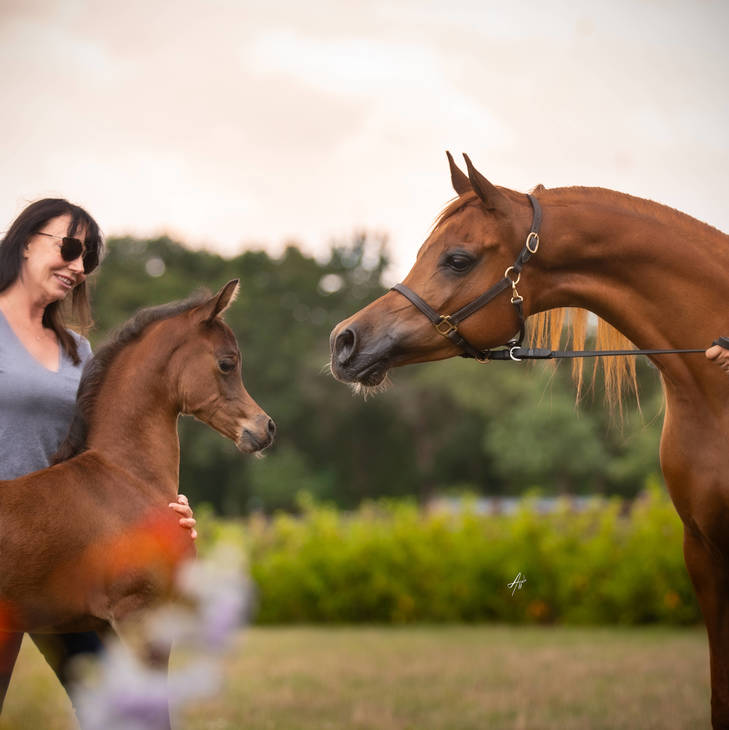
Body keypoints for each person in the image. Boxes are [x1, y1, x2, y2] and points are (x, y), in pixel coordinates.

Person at [0, 198, 197, 714]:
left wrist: (160, 510)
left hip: (67, 558)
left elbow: (103, 461)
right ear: (26, 243)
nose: (78, 267)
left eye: (87, 259)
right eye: (69, 248)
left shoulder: (79, 353)